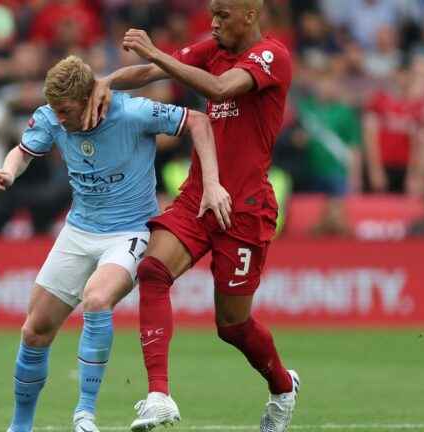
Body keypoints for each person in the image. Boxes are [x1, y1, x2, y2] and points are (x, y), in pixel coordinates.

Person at [83, 1, 299, 431]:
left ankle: (282, 387)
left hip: (245, 207)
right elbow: (148, 74)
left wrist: (156, 53)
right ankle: (159, 395)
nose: (214, 23)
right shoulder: (211, 48)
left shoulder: (272, 56)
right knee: (154, 270)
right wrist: (107, 81)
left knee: (232, 325)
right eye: (212, 15)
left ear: (250, 15)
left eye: (222, 16)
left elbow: (219, 89)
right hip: (199, 196)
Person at [0, 55, 228, 432]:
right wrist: (8, 170)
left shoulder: (133, 112)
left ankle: (85, 415)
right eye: (57, 111)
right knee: (35, 330)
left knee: (97, 300)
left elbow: (197, 120)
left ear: (90, 99)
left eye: (67, 111)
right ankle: (20, 426)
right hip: (79, 230)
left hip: (128, 232)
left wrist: (212, 184)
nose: (60, 120)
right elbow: (23, 151)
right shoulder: (52, 116)